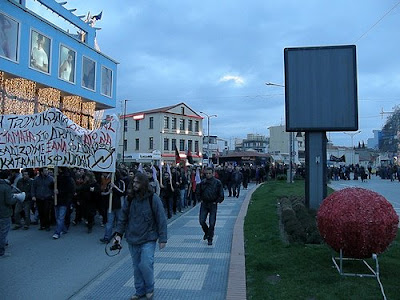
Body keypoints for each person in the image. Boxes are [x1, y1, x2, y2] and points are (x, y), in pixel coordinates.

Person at [113, 172, 167, 300]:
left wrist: (162, 238)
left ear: (143, 183)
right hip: (133, 237)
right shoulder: (129, 198)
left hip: (149, 237)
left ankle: (149, 288)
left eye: (137, 182)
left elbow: (161, 218)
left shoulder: (153, 198)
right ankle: (139, 290)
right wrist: (118, 234)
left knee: (146, 264)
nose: (134, 184)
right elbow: (123, 217)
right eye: (134, 182)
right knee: (136, 266)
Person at [196, 167, 224, 246]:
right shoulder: (202, 183)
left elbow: (221, 194)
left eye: (209, 173)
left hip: (213, 204)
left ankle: (210, 238)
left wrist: (217, 201)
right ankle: (207, 232)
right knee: (202, 221)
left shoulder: (217, 183)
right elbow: (198, 192)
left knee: (212, 223)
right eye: (207, 173)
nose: (208, 175)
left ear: (213, 173)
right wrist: (200, 199)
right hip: (204, 203)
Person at [100, 170, 125, 244]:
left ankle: (118, 237)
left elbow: (122, 192)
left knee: (119, 222)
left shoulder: (121, 182)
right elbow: (105, 193)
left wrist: (115, 187)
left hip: (119, 206)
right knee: (109, 222)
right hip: (110, 206)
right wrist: (108, 192)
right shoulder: (109, 183)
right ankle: (107, 237)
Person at [53, 168, 75, 239]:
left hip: (64, 201)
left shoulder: (68, 179)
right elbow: (51, 187)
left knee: (60, 217)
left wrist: (59, 191)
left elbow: (69, 190)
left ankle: (57, 232)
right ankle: (64, 228)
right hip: (57, 201)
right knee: (57, 217)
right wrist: (53, 183)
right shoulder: (57, 178)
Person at [0, 170, 15, 258]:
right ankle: (1, 252)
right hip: (4, 213)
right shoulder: (6, 187)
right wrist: (15, 198)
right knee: (3, 233)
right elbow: (9, 201)